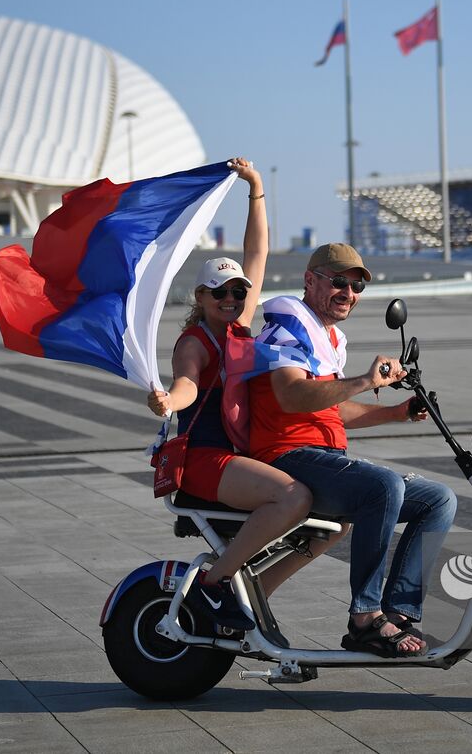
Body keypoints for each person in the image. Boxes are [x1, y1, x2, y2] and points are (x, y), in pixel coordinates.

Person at [245, 243, 457, 657]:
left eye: (356, 285)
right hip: (288, 456)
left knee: (439, 500)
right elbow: (291, 396)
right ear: (310, 280)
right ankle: (365, 618)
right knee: (382, 487)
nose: (349, 292)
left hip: (324, 459)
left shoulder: (327, 337)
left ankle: (397, 614)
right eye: (339, 281)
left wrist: (396, 412)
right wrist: (365, 380)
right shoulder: (286, 328)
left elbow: (333, 406)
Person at [145, 159, 329, 633]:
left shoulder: (241, 329)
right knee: (293, 497)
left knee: (339, 515)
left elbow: (257, 252)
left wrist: (256, 188)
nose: (231, 298)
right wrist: (171, 400)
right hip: (206, 460)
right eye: (219, 292)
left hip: (240, 458)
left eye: (237, 292)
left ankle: (253, 599)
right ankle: (215, 584)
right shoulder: (195, 342)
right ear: (201, 298)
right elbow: (186, 383)